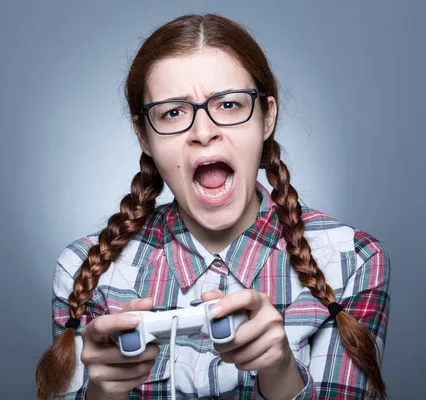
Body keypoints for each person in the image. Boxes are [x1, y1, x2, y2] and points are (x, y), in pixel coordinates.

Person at [36, 13, 391, 400]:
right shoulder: (85, 270)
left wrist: (280, 371)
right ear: (144, 136)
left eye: (229, 104)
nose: (204, 133)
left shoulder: (350, 260)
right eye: (173, 112)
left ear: (267, 117)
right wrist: (103, 392)